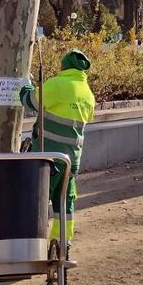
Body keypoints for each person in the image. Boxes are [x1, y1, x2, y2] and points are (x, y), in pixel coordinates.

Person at [20, 49, 95, 243]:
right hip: (70, 162)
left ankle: (30, 243)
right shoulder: (88, 94)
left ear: (64, 66)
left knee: (37, 199)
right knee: (65, 201)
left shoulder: (56, 85)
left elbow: (30, 102)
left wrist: (25, 88)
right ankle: (62, 244)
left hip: (47, 158)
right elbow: (88, 117)